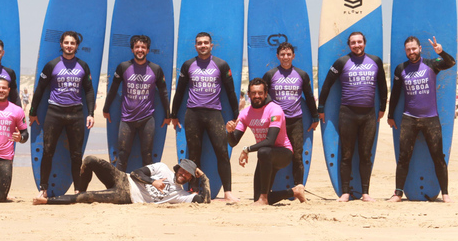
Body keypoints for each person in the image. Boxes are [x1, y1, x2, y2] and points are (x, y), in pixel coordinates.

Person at [318, 31, 387, 202]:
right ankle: (346, 192)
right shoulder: (342, 62)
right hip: (347, 113)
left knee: (365, 155)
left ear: (365, 43)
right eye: (353, 43)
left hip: (369, 114)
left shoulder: (376, 61)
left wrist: (383, 108)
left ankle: (365, 193)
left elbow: (382, 86)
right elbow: (327, 84)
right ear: (349, 45)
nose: (357, 45)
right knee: (347, 154)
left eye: (359, 42)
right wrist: (321, 107)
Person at [171, 32, 240, 202]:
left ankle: (228, 192)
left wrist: (236, 115)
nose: (203, 45)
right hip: (192, 114)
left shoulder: (221, 65)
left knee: (222, 153)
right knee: (194, 155)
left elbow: (230, 92)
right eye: (199, 43)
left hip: (214, 114)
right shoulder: (188, 65)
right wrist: (173, 114)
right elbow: (180, 91)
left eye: (206, 43)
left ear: (211, 45)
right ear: (195, 46)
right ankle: (194, 190)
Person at [387, 36, 456, 203]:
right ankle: (397, 193)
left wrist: (441, 51)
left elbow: (451, 63)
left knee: (438, 156)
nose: (411, 52)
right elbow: (395, 93)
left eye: (414, 49)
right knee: (404, 156)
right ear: (406, 51)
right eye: (408, 50)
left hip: (431, 119)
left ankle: (445, 193)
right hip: (409, 118)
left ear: (420, 49)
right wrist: (390, 115)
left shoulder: (432, 64)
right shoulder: (400, 69)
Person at [28, 31, 95, 197]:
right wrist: (32, 112)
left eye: (72, 43)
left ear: (77, 46)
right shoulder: (52, 65)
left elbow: (88, 91)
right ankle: (43, 189)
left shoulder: (83, 66)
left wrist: (91, 113)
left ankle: (78, 189)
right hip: (54, 113)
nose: (69, 46)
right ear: (61, 44)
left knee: (76, 154)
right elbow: (40, 89)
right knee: (48, 151)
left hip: (76, 114)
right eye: (66, 43)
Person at [227, 78, 306, 205]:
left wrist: (247, 149)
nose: (257, 96)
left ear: (265, 93)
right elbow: (233, 142)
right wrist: (230, 132)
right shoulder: (245, 113)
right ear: (249, 94)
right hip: (266, 157)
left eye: (260, 93)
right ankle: (294, 192)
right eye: (253, 93)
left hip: (283, 153)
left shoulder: (275, 110)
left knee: (263, 151)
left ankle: (263, 199)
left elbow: (270, 140)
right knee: (256, 197)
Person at [102, 35, 171, 171]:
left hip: (147, 119)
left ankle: (147, 186)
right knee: (122, 154)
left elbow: (163, 93)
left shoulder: (156, 69)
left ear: (148, 50)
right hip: (127, 119)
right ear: (132, 50)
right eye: (137, 47)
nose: (140, 50)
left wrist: (168, 115)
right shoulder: (123, 67)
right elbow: (113, 89)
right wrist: (106, 109)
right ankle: (120, 187)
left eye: (143, 47)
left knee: (147, 155)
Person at [262, 42, 319, 192]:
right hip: (276, 122)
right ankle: (267, 189)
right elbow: (263, 96)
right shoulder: (270, 74)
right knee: (271, 154)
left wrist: (315, 117)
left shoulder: (301, 74)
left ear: (293, 56)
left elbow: (309, 96)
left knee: (297, 155)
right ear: (277, 56)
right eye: (282, 54)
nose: (285, 57)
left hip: (295, 121)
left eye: (288, 54)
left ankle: (298, 188)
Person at [33, 156, 210, 205]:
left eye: (188, 175)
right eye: (183, 170)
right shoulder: (162, 167)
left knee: (89, 197)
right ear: (178, 168)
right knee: (90, 160)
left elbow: (204, 200)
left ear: (190, 179)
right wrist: (152, 182)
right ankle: (78, 190)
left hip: (127, 195)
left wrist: (203, 177)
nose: (184, 175)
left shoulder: (179, 195)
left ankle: (47, 201)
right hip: (123, 178)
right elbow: (135, 173)